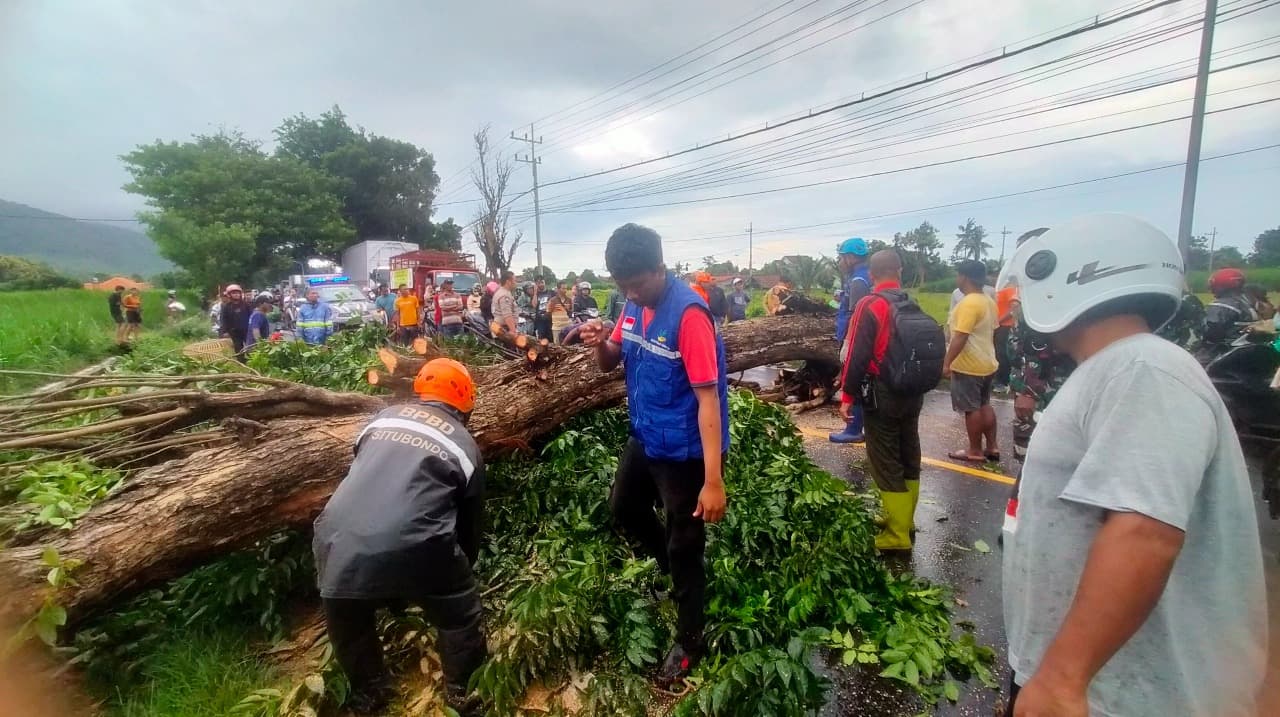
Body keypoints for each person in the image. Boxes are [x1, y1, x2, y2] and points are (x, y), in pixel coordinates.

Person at [998, 214, 1265, 717]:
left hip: (1121, 695)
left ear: (1065, 280)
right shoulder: (1117, 367)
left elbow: (1144, 531)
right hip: (1094, 683)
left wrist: (1061, 679)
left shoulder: (1142, 370)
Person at [578, 223, 728, 688]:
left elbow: (709, 400)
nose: (631, 294)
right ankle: (671, 574)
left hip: (683, 451)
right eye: (622, 286)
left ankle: (690, 640)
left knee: (686, 544)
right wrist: (599, 340)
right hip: (645, 437)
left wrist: (713, 479)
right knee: (623, 508)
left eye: (638, 284)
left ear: (661, 269)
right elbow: (609, 362)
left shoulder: (689, 317)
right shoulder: (631, 305)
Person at [313, 358, 485, 716]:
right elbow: (468, 526)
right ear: (465, 400)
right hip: (418, 543)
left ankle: (370, 691)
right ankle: (462, 690)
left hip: (334, 538)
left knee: (347, 618)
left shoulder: (379, 420)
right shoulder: (465, 446)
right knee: (459, 614)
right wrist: (459, 575)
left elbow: (367, 474)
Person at [838, 249, 928, 551]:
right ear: (899, 272)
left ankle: (897, 535)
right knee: (908, 454)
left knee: (885, 459)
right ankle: (905, 520)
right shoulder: (911, 302)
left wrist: (847, 395)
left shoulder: (870, 304)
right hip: (913, 393)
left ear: (873, 275)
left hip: (884, 393)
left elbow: (856, 356)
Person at [944, 260, 1000, 463]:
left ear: (964, 277)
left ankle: (974, 451)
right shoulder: (988, 300)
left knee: (971, 409)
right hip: (987, 362)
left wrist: (947, 362)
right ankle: (992, 447)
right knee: (984, 404)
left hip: (969, 364)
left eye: (958, 274)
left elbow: (961, 336)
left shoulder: (968, 303)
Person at [831, 237, 872, 444]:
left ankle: (853, 429)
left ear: (850, 257)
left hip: (854, 336)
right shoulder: (863, 276)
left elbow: (857, 313)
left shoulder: (858, 281)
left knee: (853, 378)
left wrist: (848, 340)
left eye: (841, 257)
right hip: (858, 335)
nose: (840, 261)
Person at [1202, 267, 1258, 349]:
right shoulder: (1246, 303)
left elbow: (1211, 333)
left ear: (1223, 284)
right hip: (1247, 348)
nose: (1213, 289)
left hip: (1225, 351)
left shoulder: (1221, 305)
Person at [994, 277, 1019, 392]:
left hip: (1004, 326)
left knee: (1002, 354)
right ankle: (997, 379)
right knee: (997, 353)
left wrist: (999, 321)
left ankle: (1003, 382)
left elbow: (1014, 307)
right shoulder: (999, 291)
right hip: (999, 326)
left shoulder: (1011, 289)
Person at [219, 284, 251, 356]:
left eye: (237, 293)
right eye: (234, 293)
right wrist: (225, 331)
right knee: (238, 349)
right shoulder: (226, 307)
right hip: (234, 332)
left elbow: (251, 316)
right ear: (229, 295)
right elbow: (224, 320)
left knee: (250, 347)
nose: (236, 295)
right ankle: (242, 363)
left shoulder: (246, 305)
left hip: (246, 330)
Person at [491, 271, 519, 336]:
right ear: (508, 282)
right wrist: (513, 331)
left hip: (501, 328)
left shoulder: (501, 292)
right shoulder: (504, 295)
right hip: (504, 330)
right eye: (514, 280)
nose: (516, 283)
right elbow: (507, 315)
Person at [534, 277, 554, 341]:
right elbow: (534, 305)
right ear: (536, 284)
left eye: (542, 282)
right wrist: (535, 293)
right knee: (541, 339)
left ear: (545, 282)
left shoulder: (551, 292)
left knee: (551, 338)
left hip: (550, 320)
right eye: (538, 283)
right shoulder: (535, 295)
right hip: (540, 321)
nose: (541, 284)